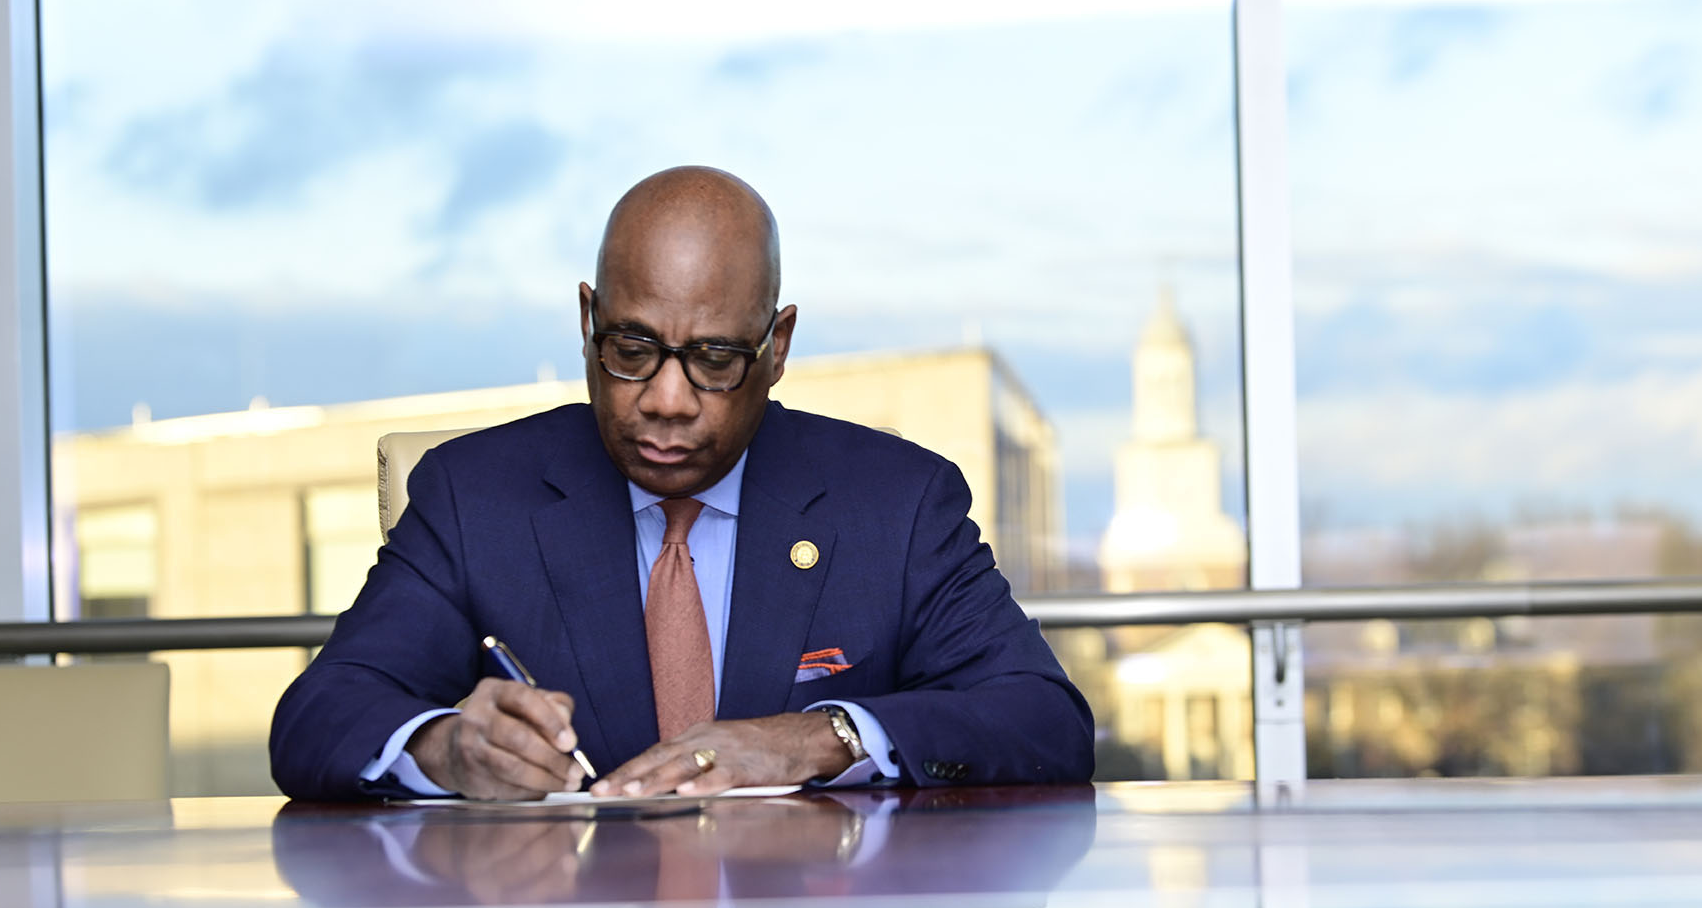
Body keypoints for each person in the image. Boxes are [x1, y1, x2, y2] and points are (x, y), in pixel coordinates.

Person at [269, 166, 1092, 801]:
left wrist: (822, 738)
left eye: (714, 360)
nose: (665, 401)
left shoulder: (894, 505)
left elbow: (1043, 719)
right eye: (630, 349)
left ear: (776, 347)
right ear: (588, 321)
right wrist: (441, 747)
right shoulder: (474, 497)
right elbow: (319, 715)